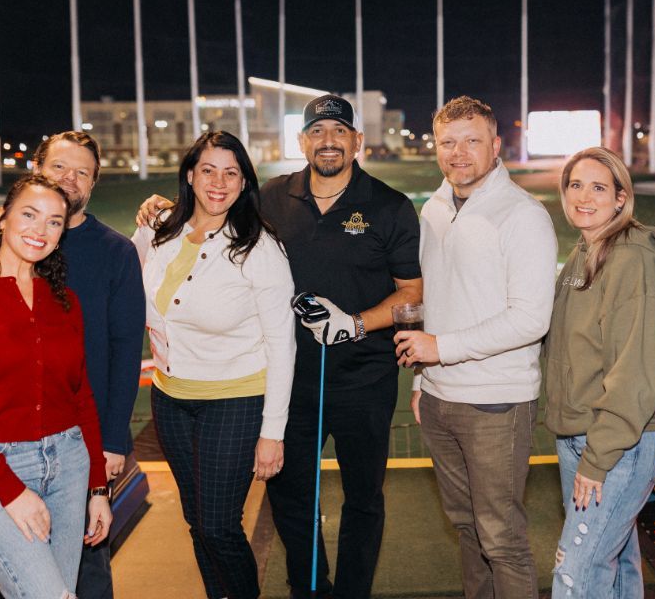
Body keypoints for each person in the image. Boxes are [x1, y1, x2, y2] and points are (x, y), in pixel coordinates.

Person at [136, 94, 422, 599]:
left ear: (357, 141)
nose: (327, 141)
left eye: (338, 132)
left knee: (364, 499)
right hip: (289, 383)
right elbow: (214, 205)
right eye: (317, 132)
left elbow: (412, 293)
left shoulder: (390, 206)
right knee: (292, 500)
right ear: (302, 140)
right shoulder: (272, 195)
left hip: (364, 379)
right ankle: (309, 589)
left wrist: (354, 325)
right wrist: (162, 204)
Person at [0, 131, 144, 599]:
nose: (40, 229)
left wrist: (100, 483)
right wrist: (10, 490)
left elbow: (93, 381)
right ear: (3, 219)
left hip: (72, 459)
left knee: (70, 586)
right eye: (30, 215)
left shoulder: (68, 298)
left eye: (54, 222)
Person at [396, 95, 556, 599]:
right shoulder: (436, 208)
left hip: (496, 401)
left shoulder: (523, 215)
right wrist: (425, 381)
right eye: (448, 142)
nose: (458, 152)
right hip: (441, 398)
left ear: (495, 146)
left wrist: (439, 349)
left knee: (501, 537)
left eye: (471, 141)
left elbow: (531, 319)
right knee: (466, 528)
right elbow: (437, 303)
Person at [132, 131, 295, 599]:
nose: (219, 182)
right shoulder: (158, 225)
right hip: (170, 399)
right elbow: (120, 281)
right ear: (190, 174)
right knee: (197, 523)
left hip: (236, 402)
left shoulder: (259, 248)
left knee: (220, 526)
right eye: (208, 170)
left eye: (231, 172)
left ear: (244, 182)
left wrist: (272, 433)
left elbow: (282, 344)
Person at [543, 147, 655, 598]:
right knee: (614, 566)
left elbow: (634, 370)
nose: (583, 197)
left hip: (616, 444)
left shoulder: (630, 259)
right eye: (575, 185)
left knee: (577, 572)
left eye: (598, 187)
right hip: (580, 434)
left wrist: (599, 458)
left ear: (621, 198)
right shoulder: (586, 250)